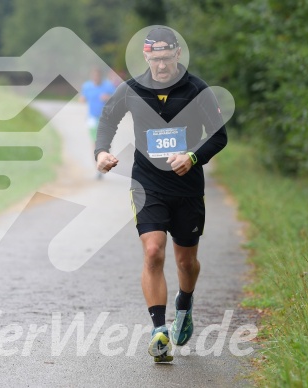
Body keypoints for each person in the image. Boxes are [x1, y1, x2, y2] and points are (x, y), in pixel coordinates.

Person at [94, 27, 227, 362]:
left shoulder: (197, 89)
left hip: (187, 188)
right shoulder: (133, 89)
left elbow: (219, 135)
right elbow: (107, 119)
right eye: (156, 59)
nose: (162, 66)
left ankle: (185, 301)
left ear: (178, 55)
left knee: (186, 261)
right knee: (153, 252)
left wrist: (193, 156)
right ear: (146, 56)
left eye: (167, 58)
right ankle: (159, 331)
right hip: (147, 184)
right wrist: (101, 152)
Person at [80, 68, 116, 179]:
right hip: (92, 118)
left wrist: (108, 97)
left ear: (101, 76)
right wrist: (82, 99)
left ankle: (104, 161)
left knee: (104, 143)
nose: (96, 78)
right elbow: (82, 99)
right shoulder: (87, 86)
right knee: (95, 144)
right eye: (94, 76)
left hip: (106, 118)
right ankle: (99, 167)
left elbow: (117, 99)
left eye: (98, 76)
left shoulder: (108, 86)